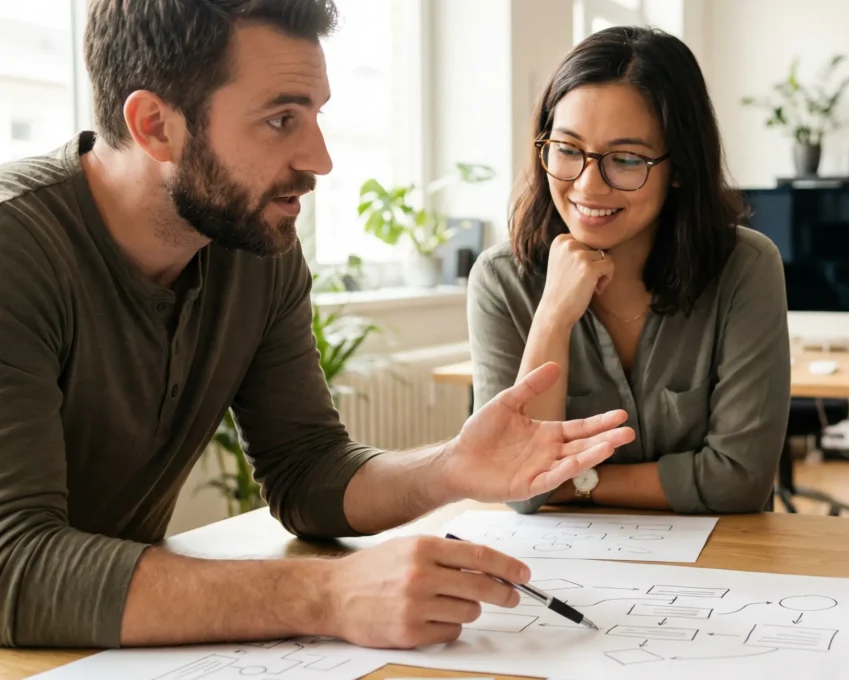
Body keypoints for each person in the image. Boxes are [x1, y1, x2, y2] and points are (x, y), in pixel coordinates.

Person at [0, 0, 636, 649]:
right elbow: (10, 567)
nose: (320, 158)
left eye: (315, 115)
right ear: (155, 125)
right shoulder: (14, 251)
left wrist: (448, 468)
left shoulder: (251, 245)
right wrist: (327, 594)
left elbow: (305, 471)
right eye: (281, 119)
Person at [467, 27, 791, 515]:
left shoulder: (745, 268)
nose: (587, 185)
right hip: (563, 566)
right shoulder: (501, 280)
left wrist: (575, 481)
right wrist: (553, 314)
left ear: (679, 166)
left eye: (625, 159)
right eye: (568, 150)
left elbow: (739, 480)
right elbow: (519, 482)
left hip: (725, 566)